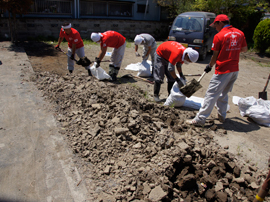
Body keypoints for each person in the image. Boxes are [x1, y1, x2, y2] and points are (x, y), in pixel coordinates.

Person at [186, 14, 248, 126]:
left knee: (211, 94)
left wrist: (209, 66)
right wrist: (232, 51)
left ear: (220, 23)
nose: (215, 28)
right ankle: (222, 116)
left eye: (215, 25)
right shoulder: (240, 33)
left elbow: (214, 56)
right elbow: (244, 49)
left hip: (223, 69)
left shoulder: (220, 36)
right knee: (223, 93)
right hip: (234, 69)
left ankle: (200, 119)